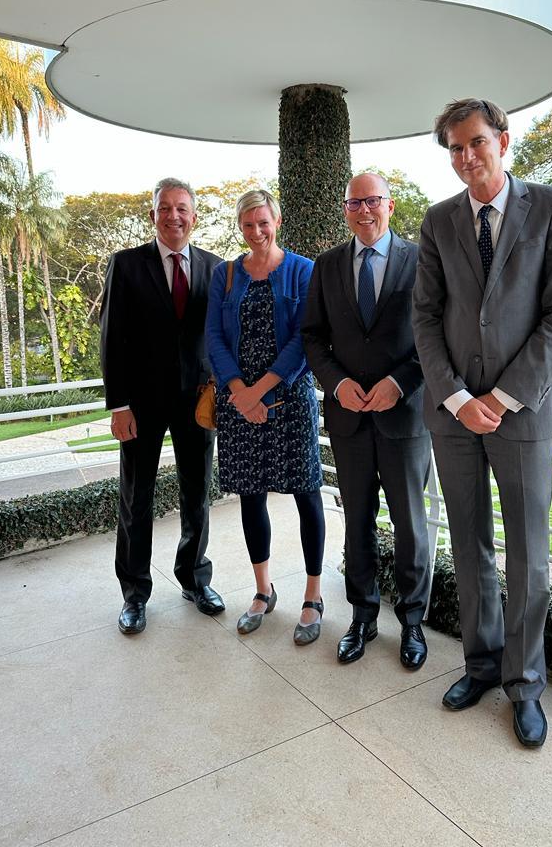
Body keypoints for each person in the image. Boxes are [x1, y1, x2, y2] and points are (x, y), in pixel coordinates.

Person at [412, 98, 552, 748]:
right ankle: (481, 667)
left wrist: (505, 396)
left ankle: (526, 685)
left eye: (475, 142)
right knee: (469, 546)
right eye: (454, 148)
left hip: (523, 414)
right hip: (455, 417)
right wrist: (457, 398)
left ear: (503, 141)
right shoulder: (438, 221)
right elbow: (426, 317)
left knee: (529, 556)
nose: (466, 157)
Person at [301, 173, 431, 670]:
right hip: (349, 418)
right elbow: (313, 336)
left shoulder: (422, 260)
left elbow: (436, 335)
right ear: (345, 209)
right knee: (356, 521)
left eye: (372, 200)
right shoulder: (328, 265)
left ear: (390, 206)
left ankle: (413, 621)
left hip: (405, 416)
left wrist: (400, 382)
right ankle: (362, 617)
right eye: (354, 203)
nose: (364, 211)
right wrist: (337, 384)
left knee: (410, 524)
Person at [100, 178, 226, 635]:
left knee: (198, 494)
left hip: (198, 402)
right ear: (153, 215)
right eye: (165, 208)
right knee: (136, 497)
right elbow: (113, 337)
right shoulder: (126, 264)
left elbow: (221, 335)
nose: (174, 216)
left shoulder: (216, 268)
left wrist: (223, 385)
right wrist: (119, 404)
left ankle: (195, 579)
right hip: (142, 403)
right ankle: (134, 593)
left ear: (194, 216)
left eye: (182, 208)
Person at [205, 190, 325, 644]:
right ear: (240, 226)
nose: (257, 232)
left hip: (289, 401)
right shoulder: (225, 275)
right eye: (248, 224)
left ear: (277, 221)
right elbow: (213, 337)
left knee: (306, 495)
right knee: (250, 497)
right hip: (237, 404)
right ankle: (262, 590)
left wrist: (260, 391)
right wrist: (240, 393)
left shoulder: (303, 270)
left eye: (263, 223)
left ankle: (313, 595)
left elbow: (305, 338)